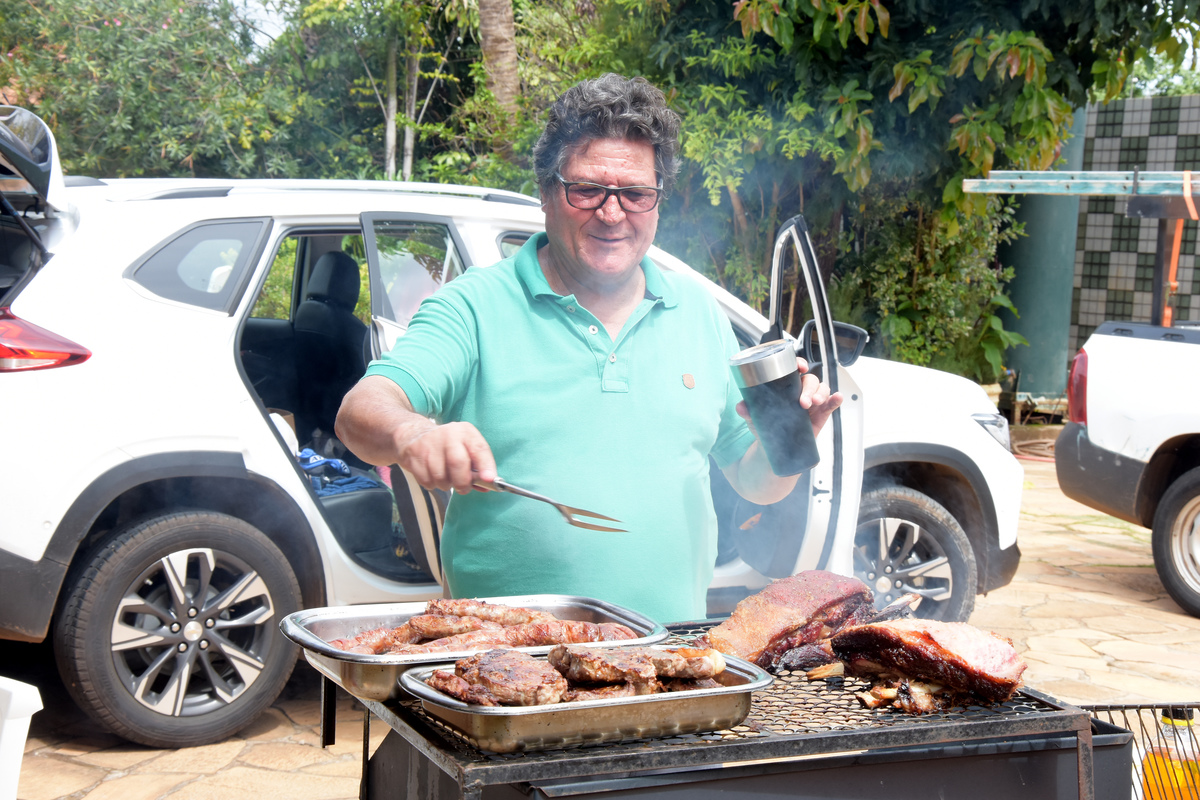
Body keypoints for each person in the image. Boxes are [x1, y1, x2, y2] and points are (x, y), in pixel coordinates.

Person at [335, 73, 842, 622]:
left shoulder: (698, 313)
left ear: (656, 201)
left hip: (669, 659)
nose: (611, 212)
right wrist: (413, 432)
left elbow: (755, 482)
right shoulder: (474, 308)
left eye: (635, 193)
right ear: (548, 192)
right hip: (508, 665)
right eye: (587, 189)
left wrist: (789, 438)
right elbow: (359, 411)